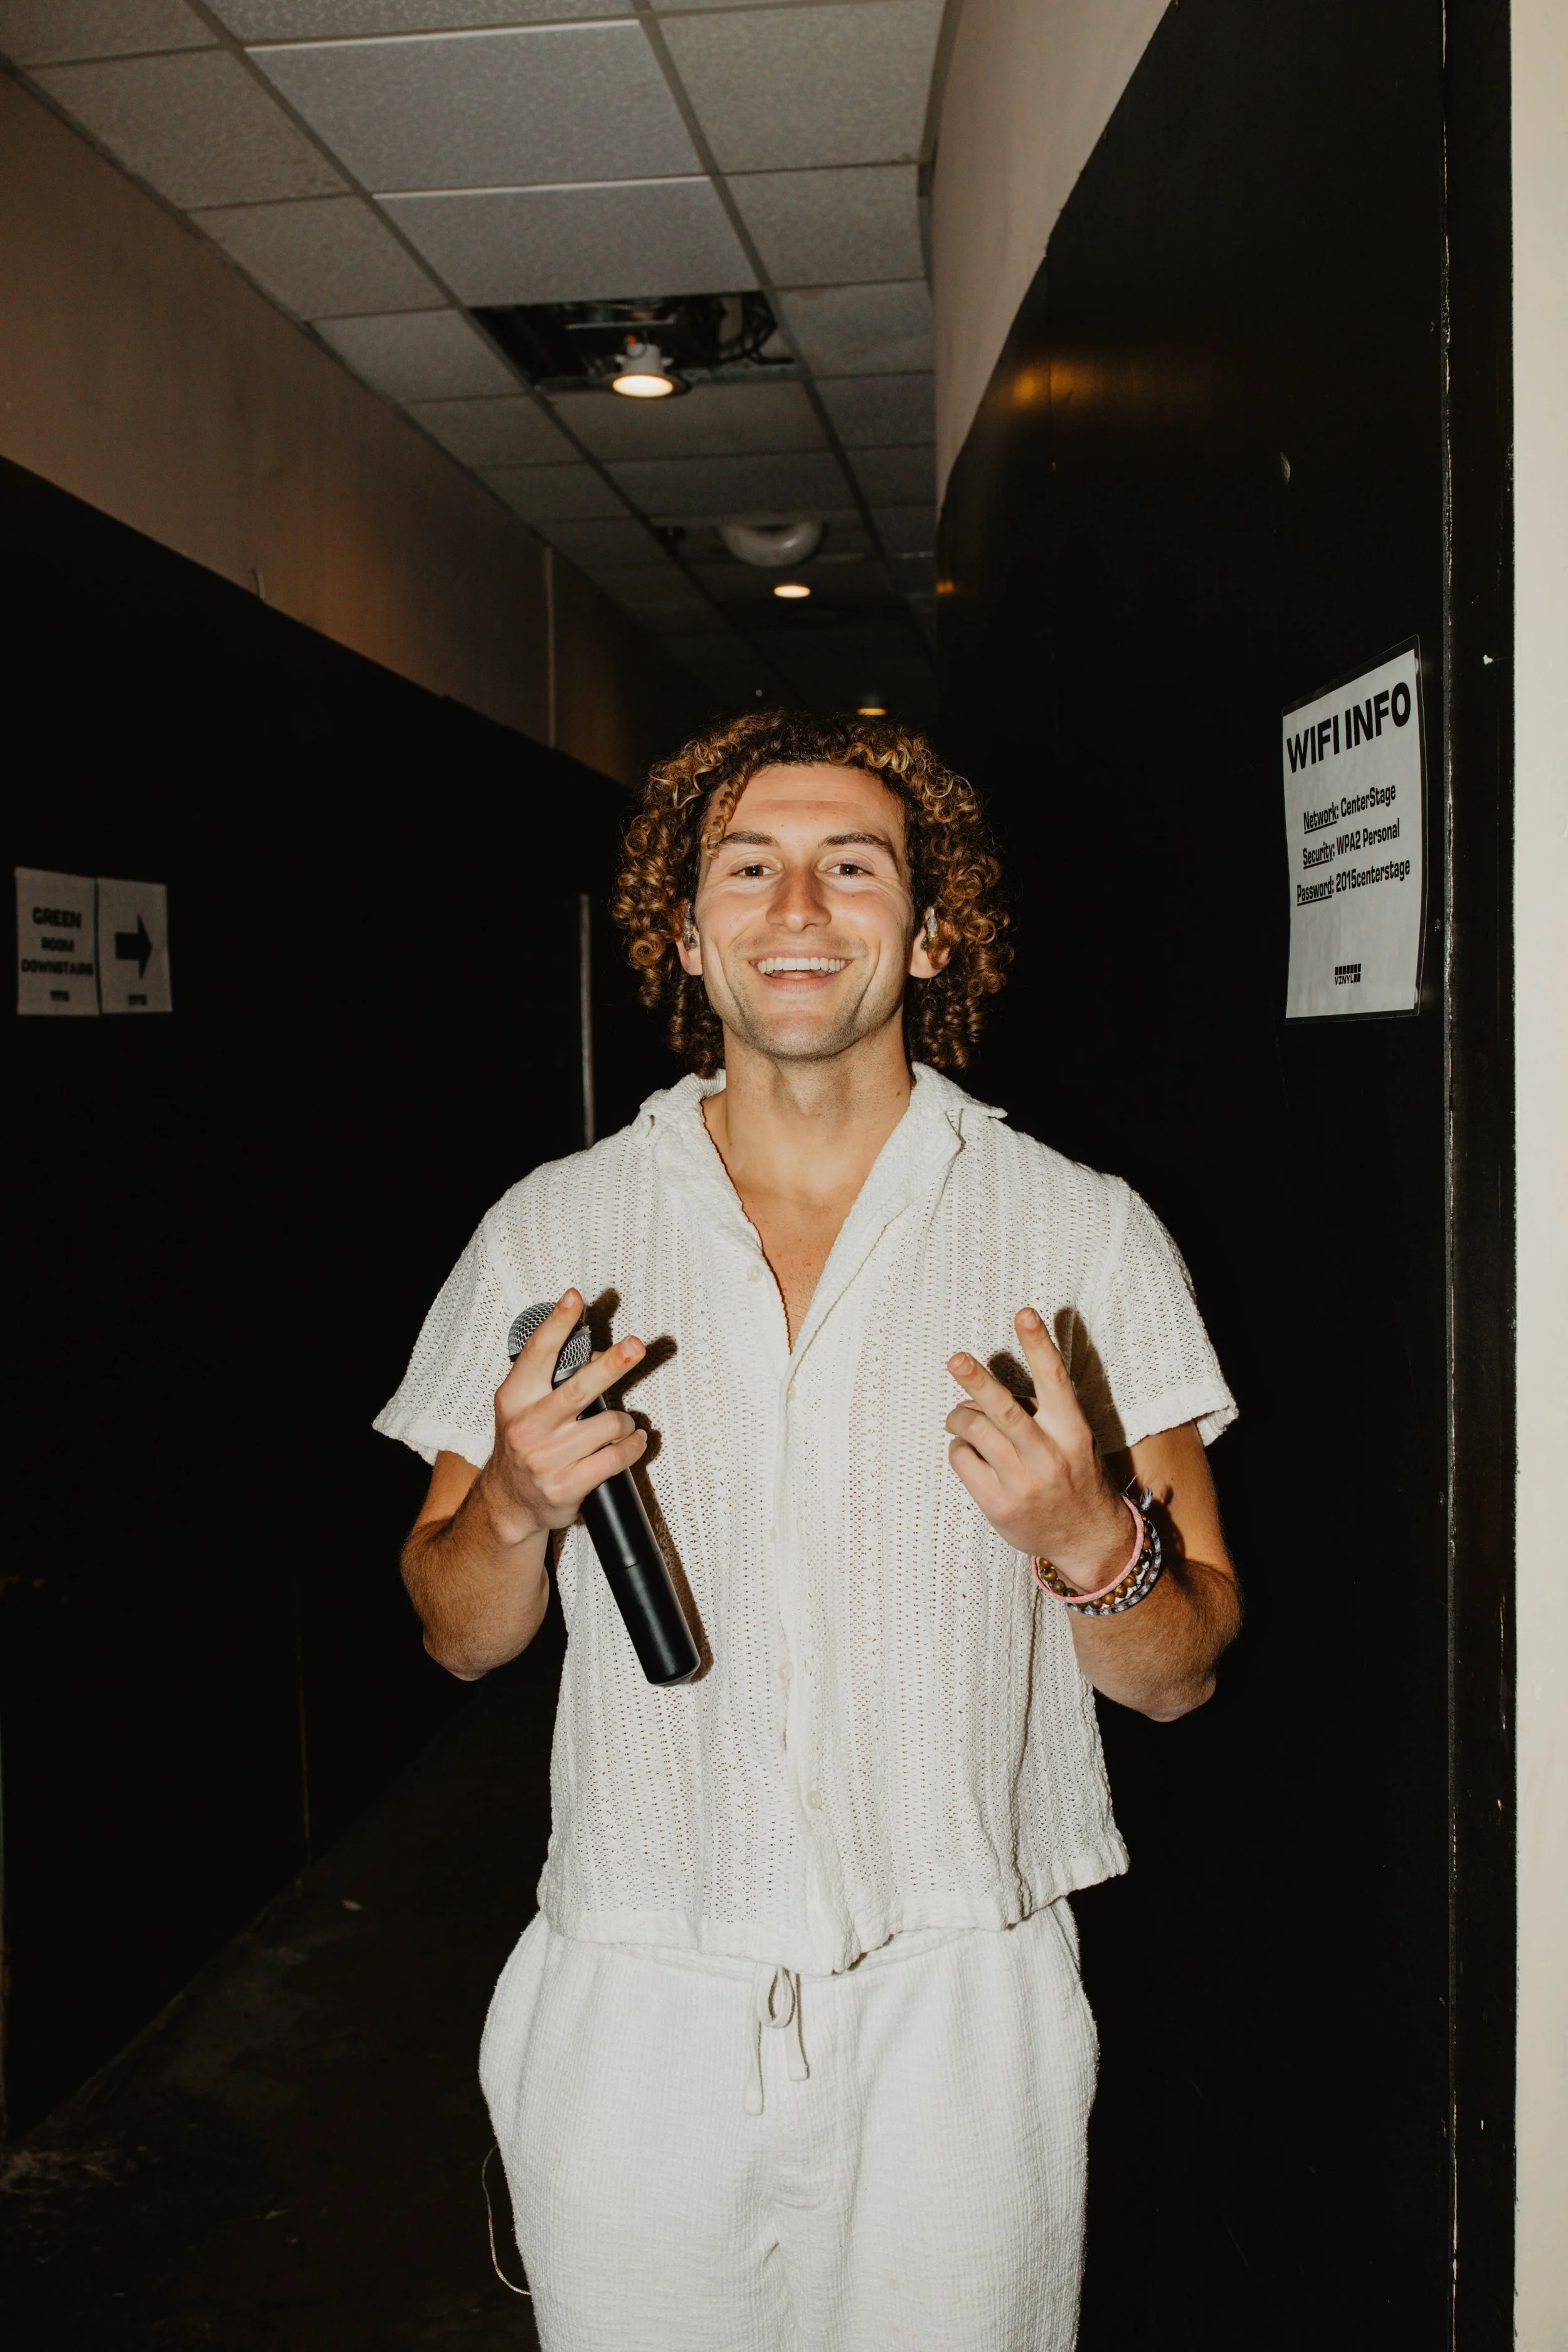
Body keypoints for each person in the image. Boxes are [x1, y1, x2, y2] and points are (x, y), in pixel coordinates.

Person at [374, 709, 1240, 2351]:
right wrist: (508, 1500)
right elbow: (456, 1630)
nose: (794, 906)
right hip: (636, 1984)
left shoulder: (1077, 1232)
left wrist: (1084, 1536)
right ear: (684, 932)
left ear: (929, 931)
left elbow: (1179, 1671)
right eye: (746, 868)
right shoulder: (549, 1233)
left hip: (956, 1993)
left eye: (851, 867)